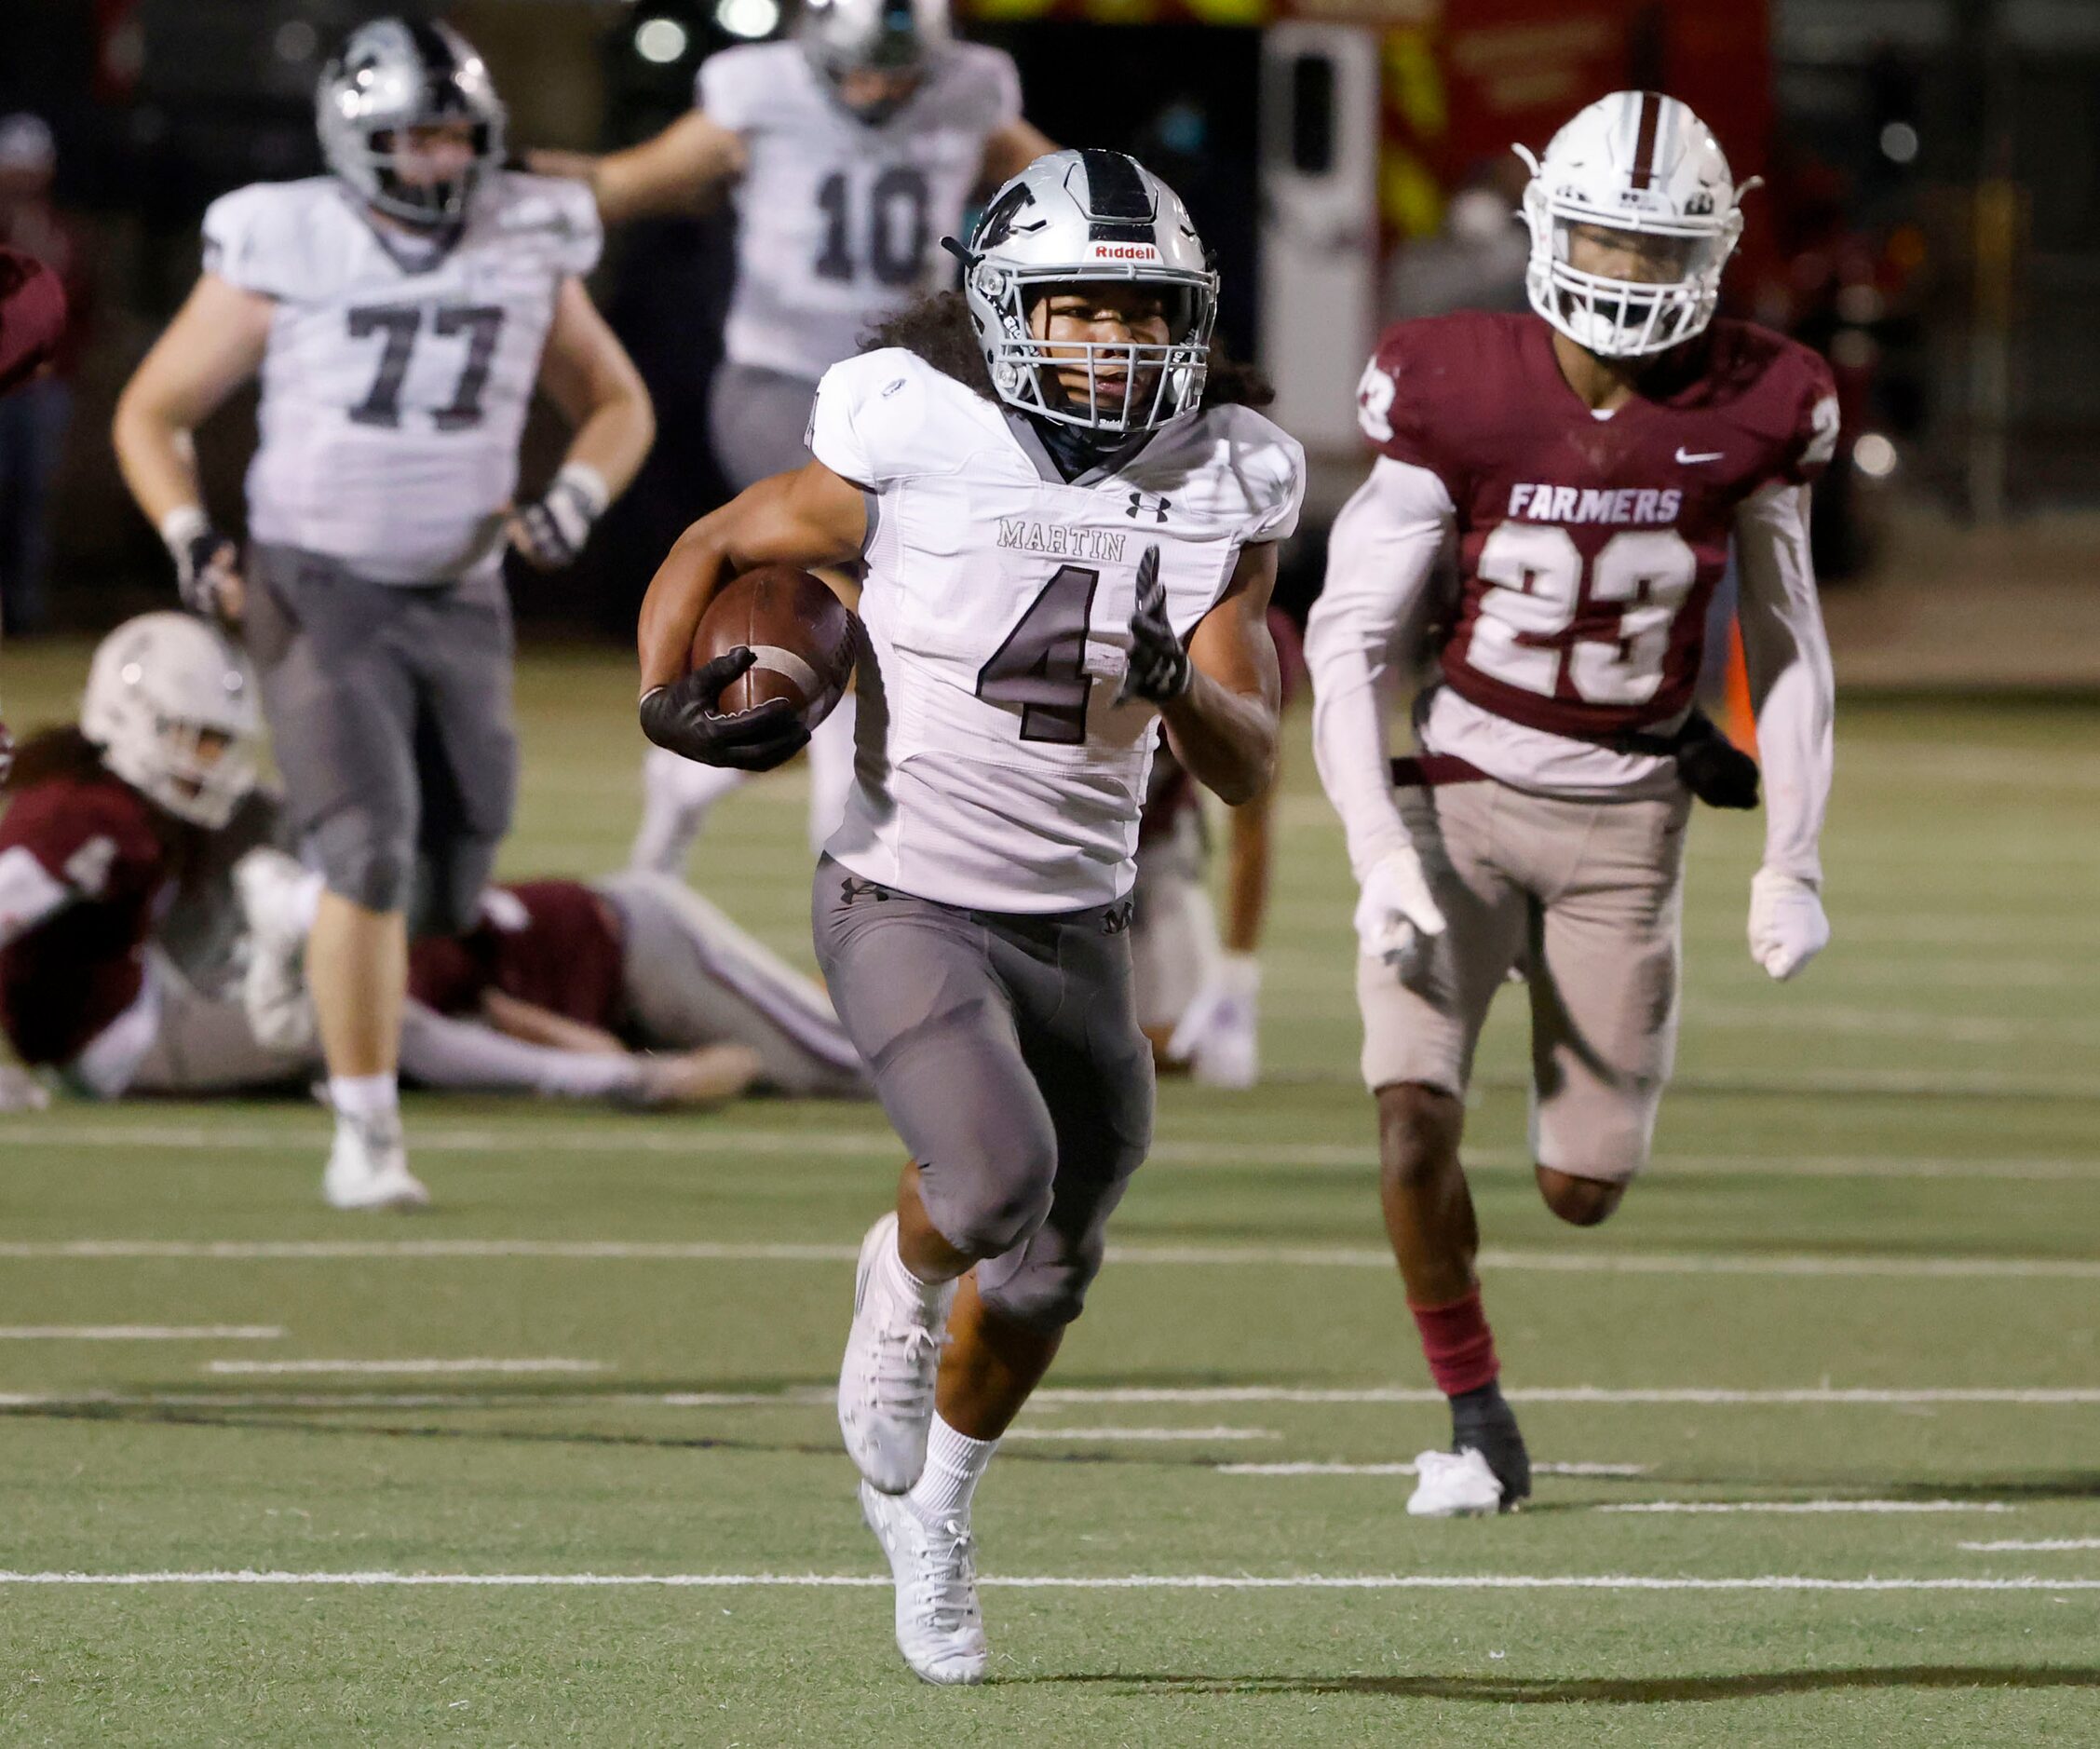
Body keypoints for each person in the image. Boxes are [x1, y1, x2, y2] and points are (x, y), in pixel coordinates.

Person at [633, 149, 1302, 1683]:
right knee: (993, 1178)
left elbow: (1251, 757)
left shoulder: (1228, 475)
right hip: (903, 886)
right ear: (1003, 311)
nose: (1118, 346)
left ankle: (935, 1509)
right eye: (1081, 309)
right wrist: (674, 701)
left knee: (1061, 1257)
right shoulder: (909, 425)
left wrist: (1175, 684)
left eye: (1147, 317)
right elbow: (715, 547)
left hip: (1083, 915)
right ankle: (899, 1275)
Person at [1304, 91, 1837, 1517]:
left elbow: (1784, 639)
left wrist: (1790, 853)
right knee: (1409, 1114)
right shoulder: (1451, 379)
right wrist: (1373, 845)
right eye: (1601, 235)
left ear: (1712, 253)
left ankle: (1501, 1337)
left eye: (1657, 250)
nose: (1621, 274)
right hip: (1460, 797)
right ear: (1545, 220)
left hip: (1624, 824)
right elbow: (1349, 638)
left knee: (1577, 1191)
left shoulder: (1762, 397)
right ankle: (1473, 1412)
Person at [111, 19, 655, 1211]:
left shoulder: (524, 227)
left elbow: (616, 402)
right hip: (317, 585)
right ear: (354, 141)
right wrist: (191, 537)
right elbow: (153, 411)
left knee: (451, 883)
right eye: (407, 140)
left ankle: (286, 893)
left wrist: (575, 492)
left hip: (460, 592)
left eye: (453, 135)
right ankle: (364, 1134)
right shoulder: (286, 235)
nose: (434, 163)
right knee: (369, 844)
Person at [530, 0, 1050, 876]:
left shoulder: (972, 91)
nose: (877, 89)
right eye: (857, 70)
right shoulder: (754, 91)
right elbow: (623, 184)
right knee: (866, 595)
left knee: (919, 612)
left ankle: (690, 790)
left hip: (912, 394)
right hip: (781, 385)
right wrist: (504, 175)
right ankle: (849, 856)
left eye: (898, 74)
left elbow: (1056, 187)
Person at [236, 855, 869, 1103]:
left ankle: (953, 1055)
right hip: (618, 981)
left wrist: (652, 1076)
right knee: (805, 1037)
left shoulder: (415, 968)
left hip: (641, 940)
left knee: (837, 1061)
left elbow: (529, 1032)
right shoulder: (397, 961)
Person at [0, 614, 303, 1103]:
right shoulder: (89, 816)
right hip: (119, 1047)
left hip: (137, 1004)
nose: (213, 764)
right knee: (364, 1010)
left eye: (219, 743)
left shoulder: (108, 796)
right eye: (198, 739)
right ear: (135, 716)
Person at [0, 115, 89, 636]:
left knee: (32, 503)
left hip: (42, 387)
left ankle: (24, 616)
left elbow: (84, 308)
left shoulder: (64, 233)